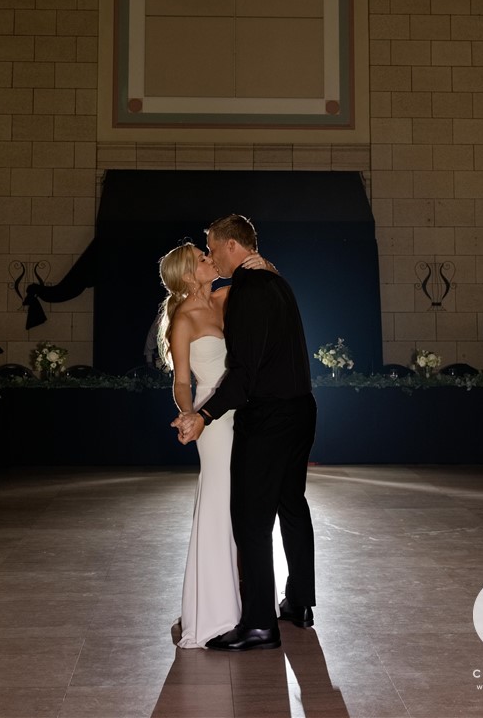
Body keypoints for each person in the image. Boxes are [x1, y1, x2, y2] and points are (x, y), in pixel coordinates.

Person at [176, 214, 317, 653]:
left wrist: (204, 415)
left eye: (213, 247)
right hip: (301, 411)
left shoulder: (250, 290)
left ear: (233, 246)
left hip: (269, 419)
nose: (211, 254)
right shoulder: (276, 283)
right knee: (292, 505)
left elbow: (244, 375)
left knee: (251, 522)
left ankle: (259, 624)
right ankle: (298, 603)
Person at [158, 241, 270, 649]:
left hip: (243, 413)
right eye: (203, 259)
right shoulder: (183, 319)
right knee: (219, 506)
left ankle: (245, 603)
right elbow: (181, 382)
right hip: (213, 421)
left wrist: (265, 265)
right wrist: (192, 416)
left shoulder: (225, 297)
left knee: (243, 507)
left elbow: (265, 290)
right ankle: (214, 611)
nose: (211, 260)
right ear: (189, 275)